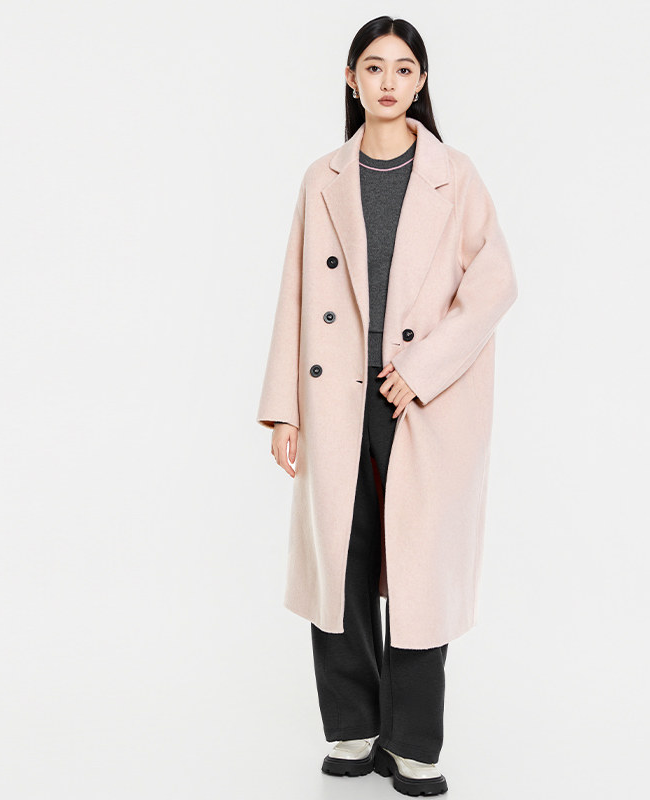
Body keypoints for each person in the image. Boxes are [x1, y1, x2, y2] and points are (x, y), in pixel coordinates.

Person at [257, 15, 518, 796]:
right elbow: (294, 292)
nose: (389, 82)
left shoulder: (455, 175)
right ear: (351, 79)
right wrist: (283, 408)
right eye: (374, 67)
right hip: (333, 395)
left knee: (418, 569)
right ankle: (352, 728)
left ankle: (412, 742)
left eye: (404, 69)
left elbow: (495, 285)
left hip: (423, 402)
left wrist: (424, 367)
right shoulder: (322, 177)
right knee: (340, 564)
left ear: (422, 81)